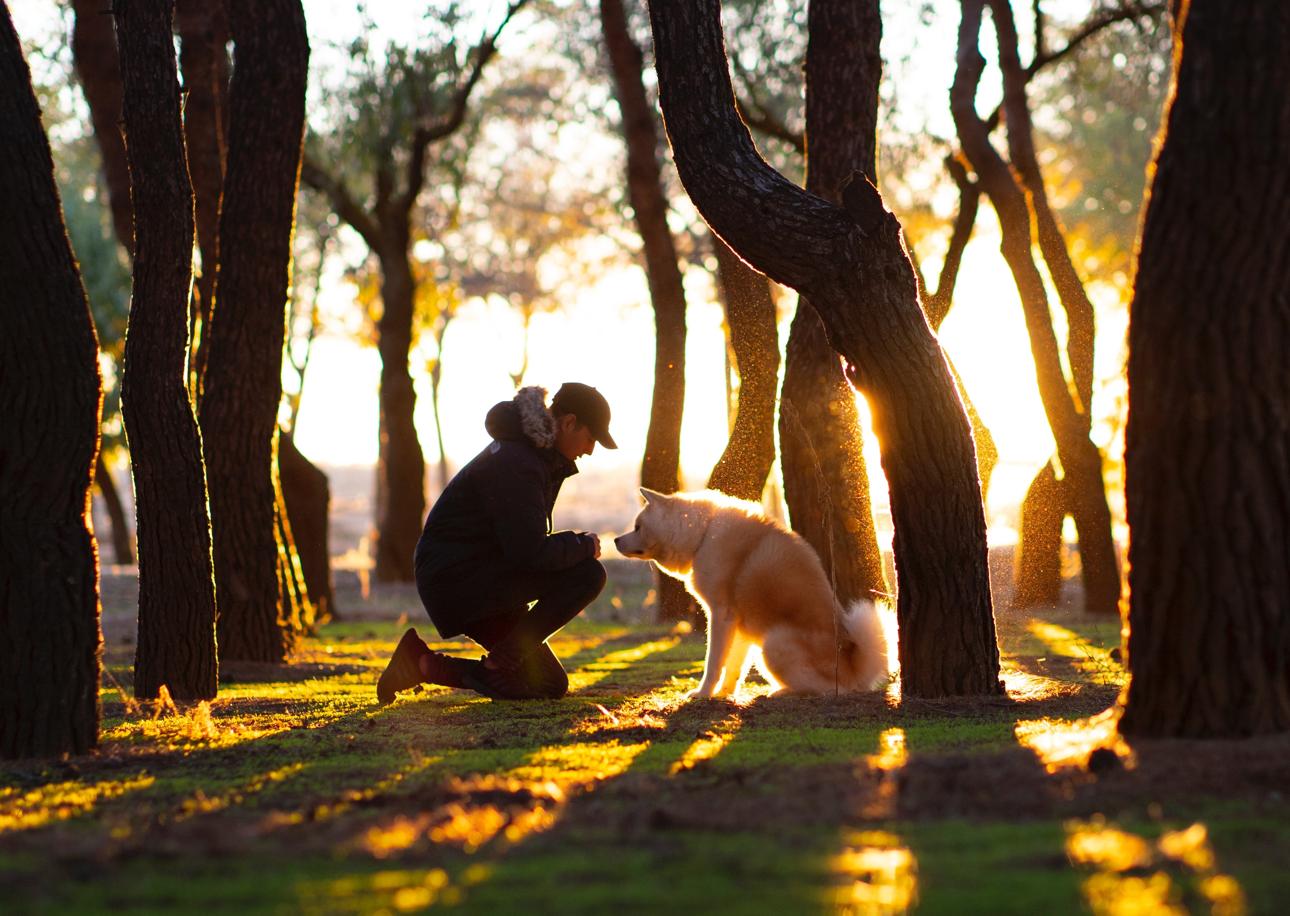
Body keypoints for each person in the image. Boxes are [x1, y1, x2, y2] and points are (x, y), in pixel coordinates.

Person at [377, 383, 615, 703]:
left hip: (476, 576)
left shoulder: (533, 457)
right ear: (570, 422)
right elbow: (528, 552)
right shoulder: (520, 462)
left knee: (547, 684)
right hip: (459, 580)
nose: (590, 450)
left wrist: (574, 545)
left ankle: (420, 664)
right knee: (588, 574)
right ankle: (497, 665)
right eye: (591, 439)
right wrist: (583, 546)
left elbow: (522, 544)